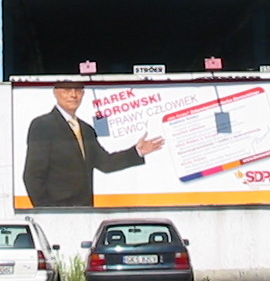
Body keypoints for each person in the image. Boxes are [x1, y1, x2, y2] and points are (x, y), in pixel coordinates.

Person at [21, 82, 164, 208]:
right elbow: (32, 175)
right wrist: (47, 211)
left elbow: (105, 163)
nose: (73, 95)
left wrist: (137, 151)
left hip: (85, 209)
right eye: (67, 90)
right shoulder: (43, 125)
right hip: (57, 210)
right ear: (55, 92)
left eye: (78, 90)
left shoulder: (87, 129)